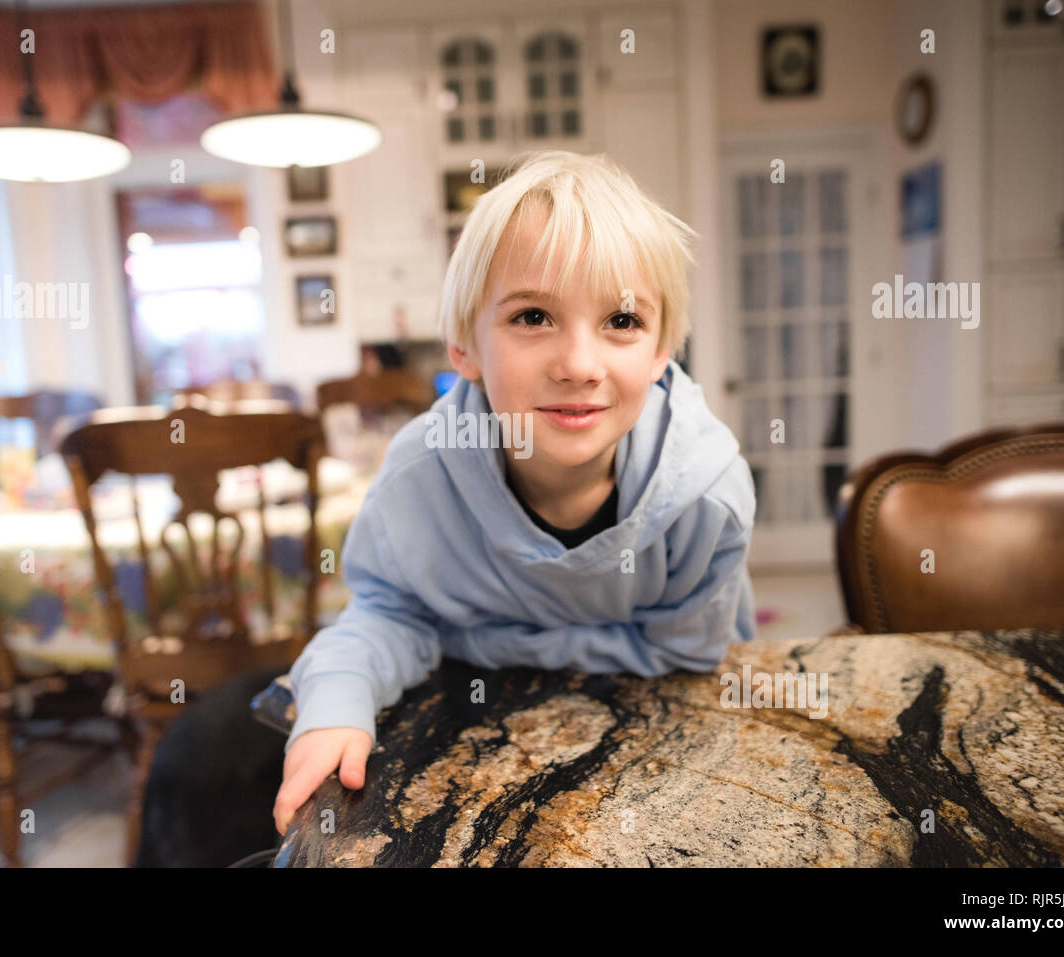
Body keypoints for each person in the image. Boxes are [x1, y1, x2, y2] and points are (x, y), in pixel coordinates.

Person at [273, 149, 756, 836]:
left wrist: (469, 637)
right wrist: (336, 703)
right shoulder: (419, 479)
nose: (580, 365)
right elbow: (382, 614)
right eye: (533, 317)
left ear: (660, 352)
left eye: (621, 321)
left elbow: (686, 656)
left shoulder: (708, 501)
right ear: (464, 346)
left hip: (669, 768)